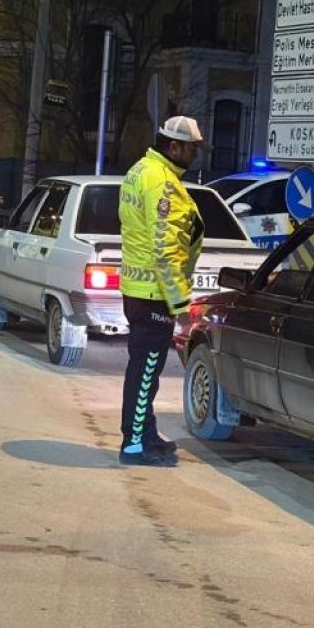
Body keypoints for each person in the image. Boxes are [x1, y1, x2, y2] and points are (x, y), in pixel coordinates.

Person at [116, 116, 206, 468]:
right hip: (154, 293)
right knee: (146, 369)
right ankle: (135, 444)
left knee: (144, 369)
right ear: (173, 146)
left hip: (140, 288)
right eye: (191, 148)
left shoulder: (142, 169)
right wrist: (180, 303)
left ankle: (145, 432)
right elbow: (165, 247)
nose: (194, 155)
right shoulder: (161, 182)